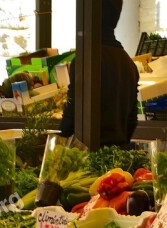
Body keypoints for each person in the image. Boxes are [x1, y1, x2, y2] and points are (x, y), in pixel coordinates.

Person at [59, 0, 139, 147]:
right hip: (116, 160)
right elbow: (132, 120)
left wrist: (57, 143)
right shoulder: (129, 64)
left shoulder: (87, 59)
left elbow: (72, 114)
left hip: (88, 160)